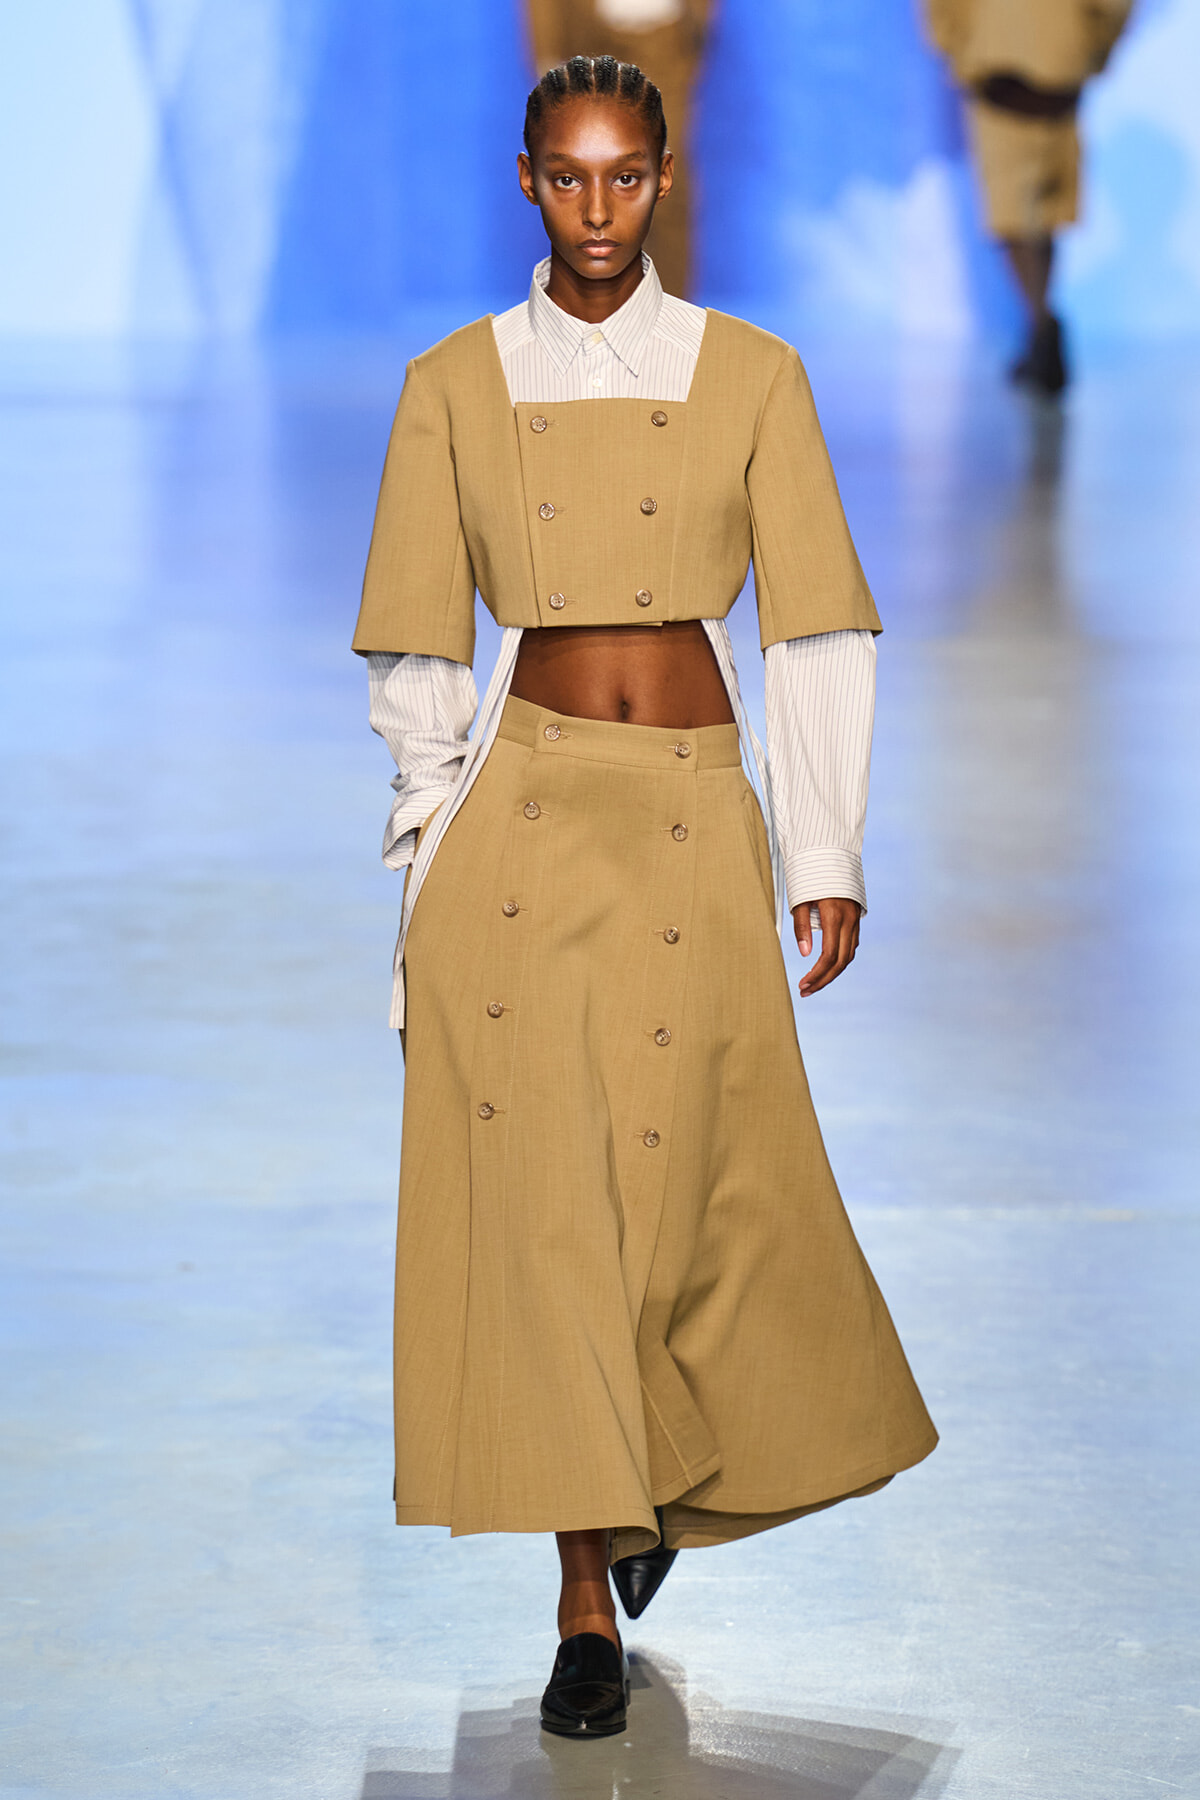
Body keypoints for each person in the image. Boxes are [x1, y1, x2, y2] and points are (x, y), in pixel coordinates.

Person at [352, 55, 937, 1741]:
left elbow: (815, 621)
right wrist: (420, 837)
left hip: (691, 823)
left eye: (626, 177)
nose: (597, 209)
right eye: (568, 176)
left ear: (665, 178)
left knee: (700, 1193)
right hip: (520, 830)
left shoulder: (751, 377)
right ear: (522, 178)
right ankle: (582, 1597)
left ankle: (656, 1471)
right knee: (549, 1218)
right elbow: (414, 635)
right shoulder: (453, 386)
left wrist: (821, 851)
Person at [923, 0, 1132, 393]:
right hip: (1058, 74)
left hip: (1000, 70)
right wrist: (1092, 50)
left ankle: (1041, 331)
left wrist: (954, 46)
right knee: (1041, 214)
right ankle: (1041, 332)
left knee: (1016, 215)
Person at [526, 0, 713, 297]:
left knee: (664, 186)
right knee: (582, 188)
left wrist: (698, 23)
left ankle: (672, 317)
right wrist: (547, 51)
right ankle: (594, 323)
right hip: (587, 41)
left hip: (662, 39)